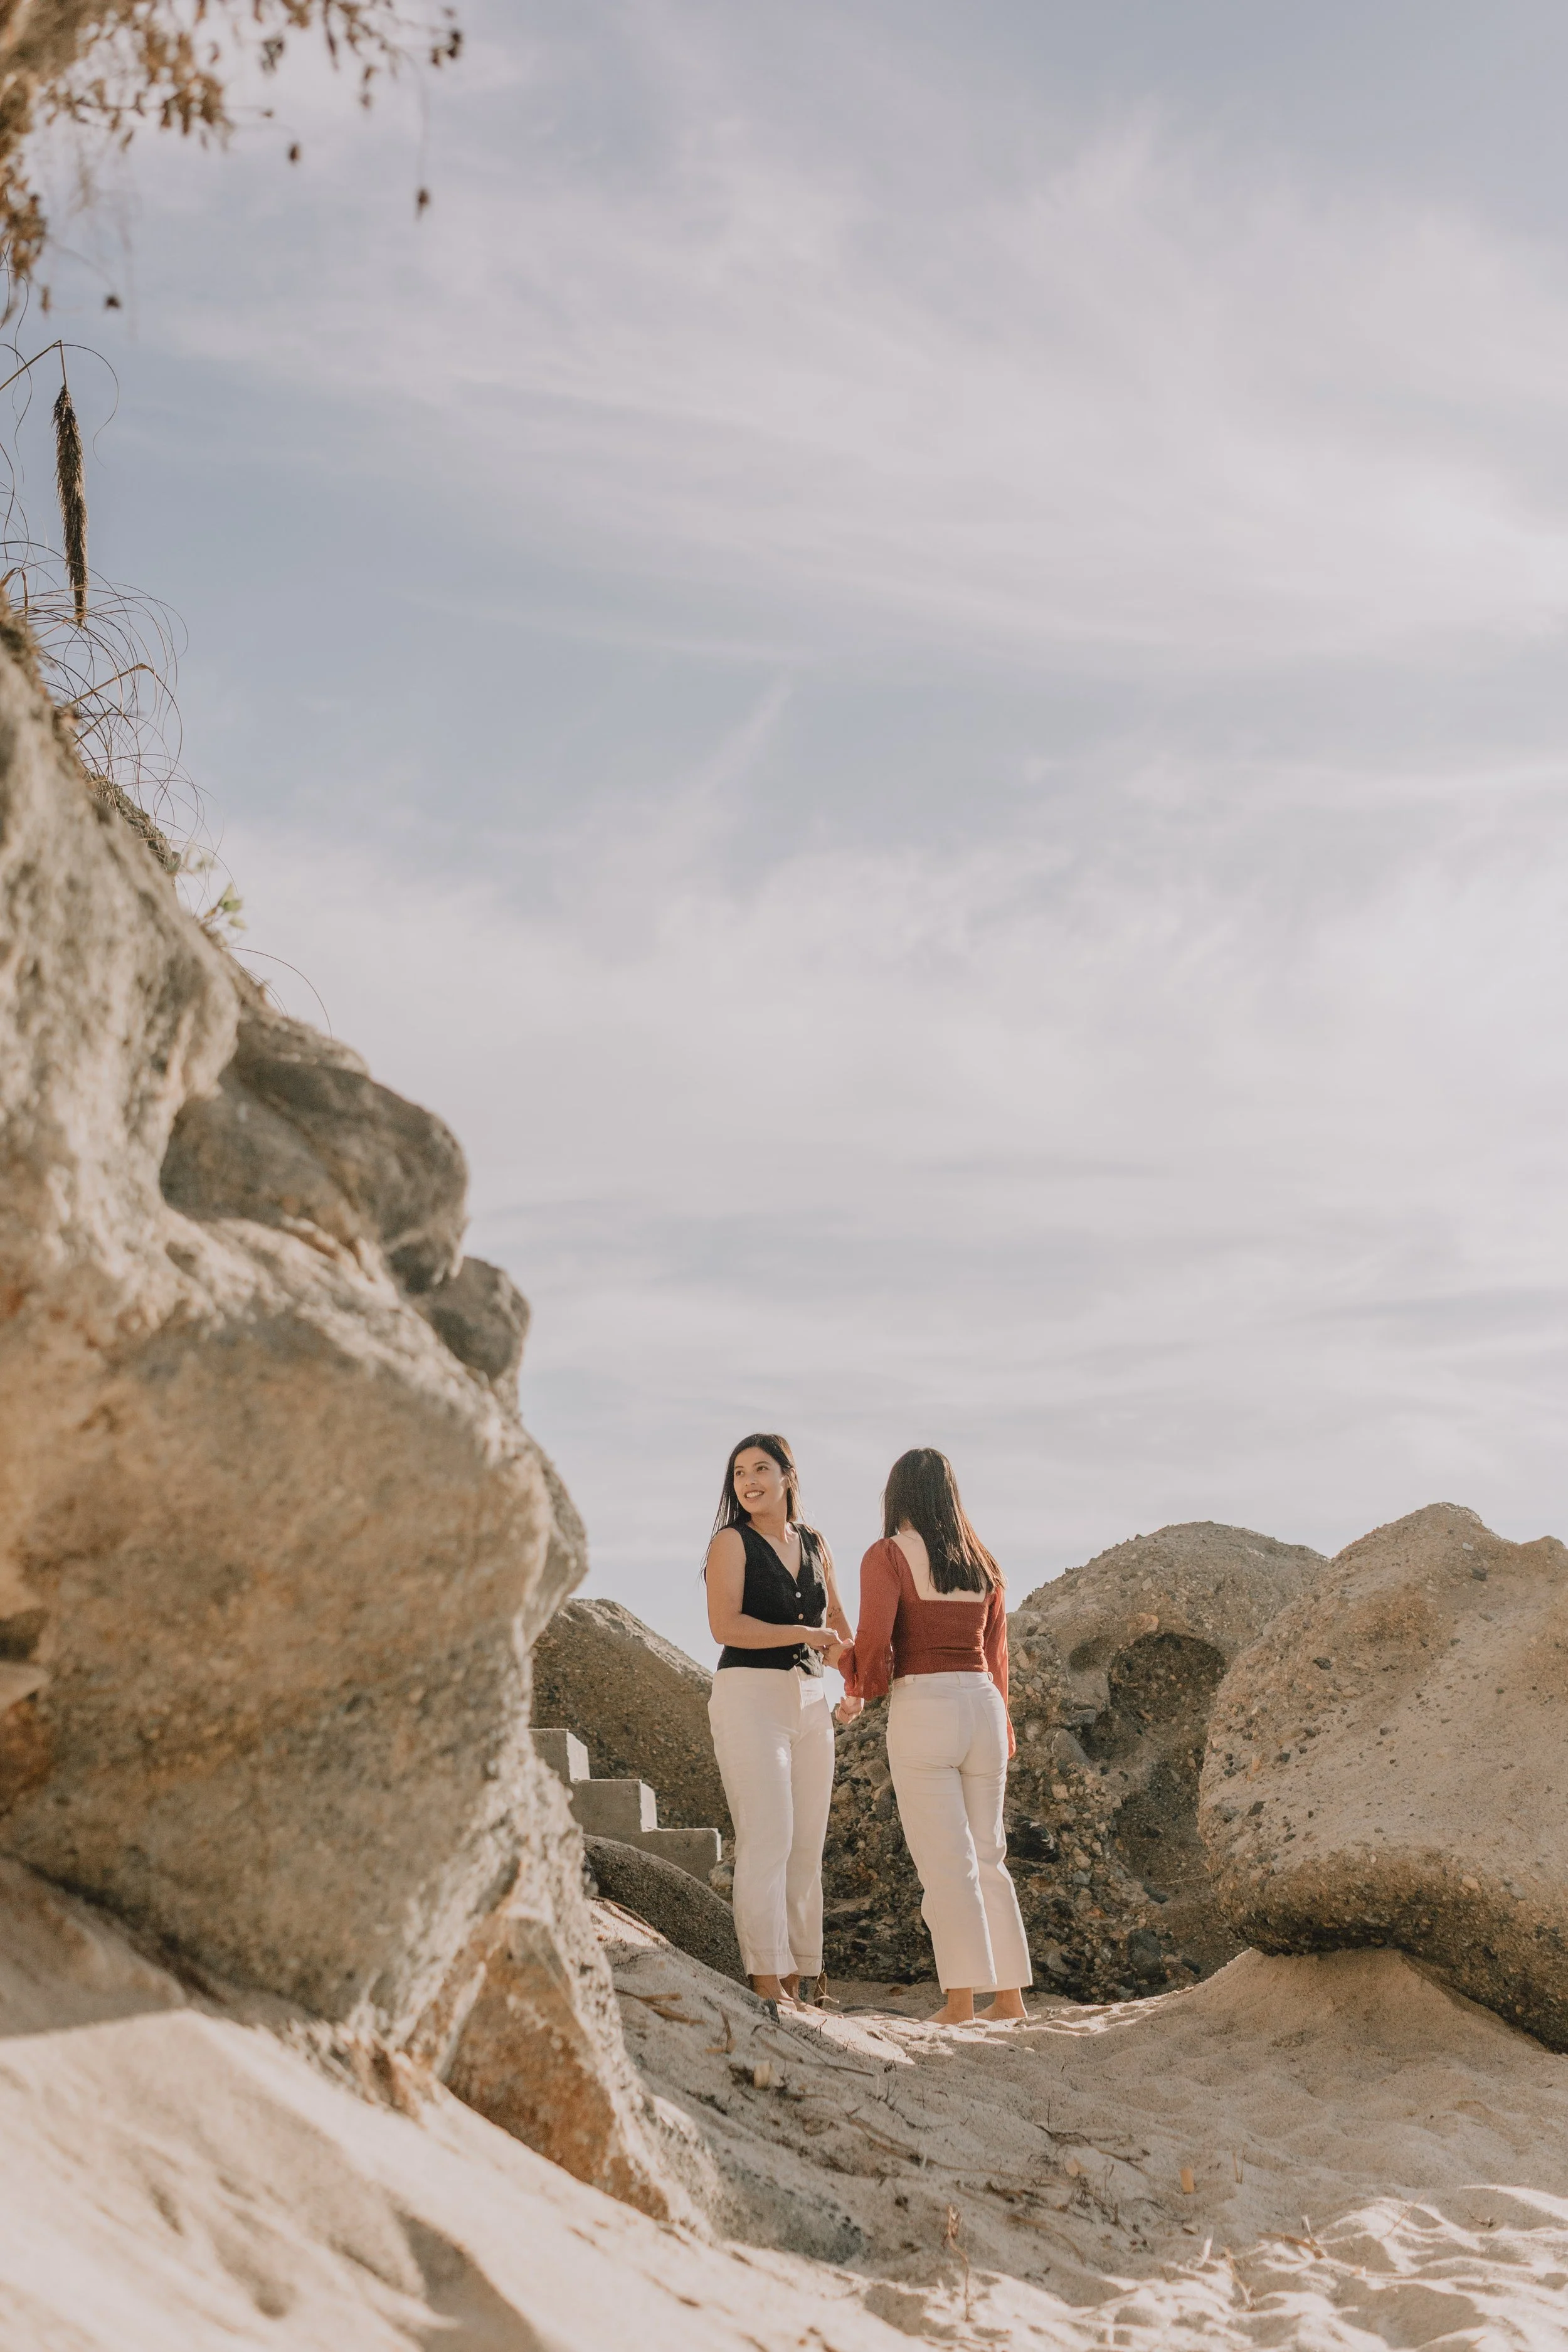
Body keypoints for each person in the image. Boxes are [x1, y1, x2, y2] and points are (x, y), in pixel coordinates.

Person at [830, 1448, 1031, 2026]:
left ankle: (960, 2002)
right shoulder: (983, 1563)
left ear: (897, 1495)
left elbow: (875, 1645)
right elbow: (997, 1657)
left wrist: (849, 1674)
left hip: (927, 1707)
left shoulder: (888, 1555)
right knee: (990, 1854)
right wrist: (1004, 1725)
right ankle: (1010, 1999)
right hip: (984, 1705)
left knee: (947, 1862)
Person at [704, 1433, 854, 2005]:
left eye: (761, 1469)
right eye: (739, 1472)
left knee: (806, 1845)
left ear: (789, 1476)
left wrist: (855, 1683)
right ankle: (766, 1979)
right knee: (768, 1836)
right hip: (750, 1696)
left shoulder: (814, 1542)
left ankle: (800, 1977)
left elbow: (837, 1628)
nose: (749, 1481)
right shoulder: (731, 1542)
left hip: (812, 1700)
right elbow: (726, 1627)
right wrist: (804, 1633)